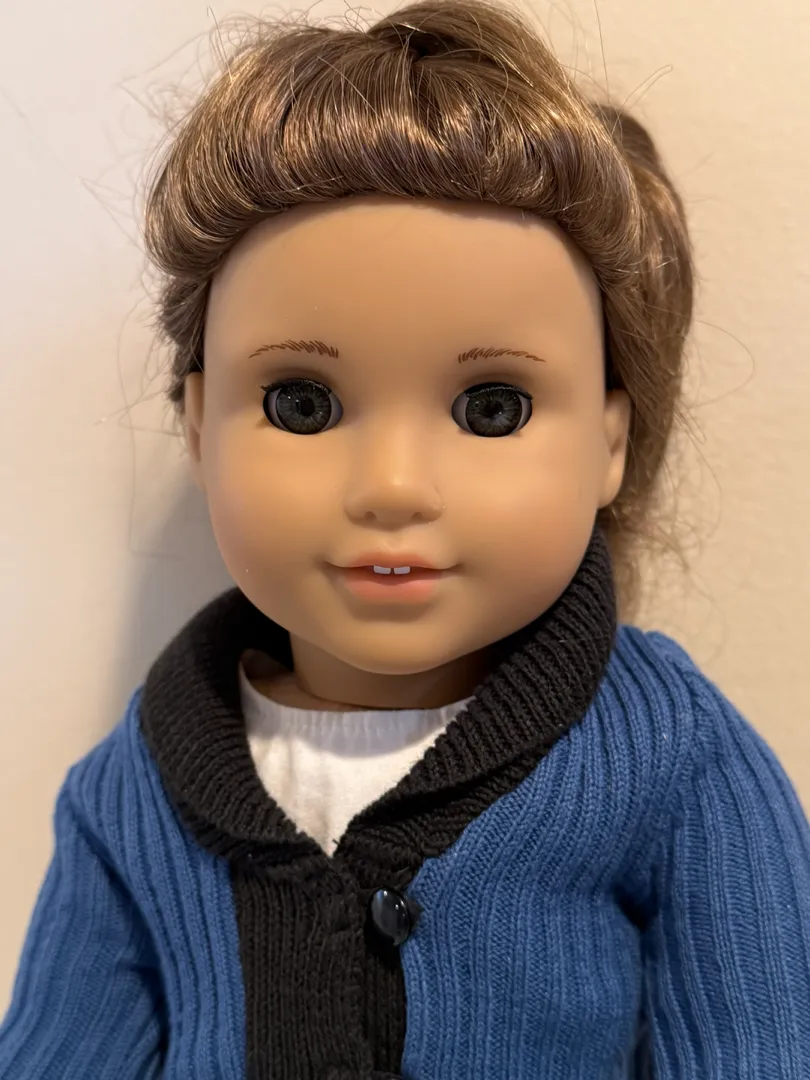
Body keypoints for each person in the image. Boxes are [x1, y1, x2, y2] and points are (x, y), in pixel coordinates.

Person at [1, 1, 808, 1077]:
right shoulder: (136, 791)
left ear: (610, 441)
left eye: (492, 410)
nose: (390, 487)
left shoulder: (671, 756)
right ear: (197, 427)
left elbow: (759, 1045)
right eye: (300, 404)